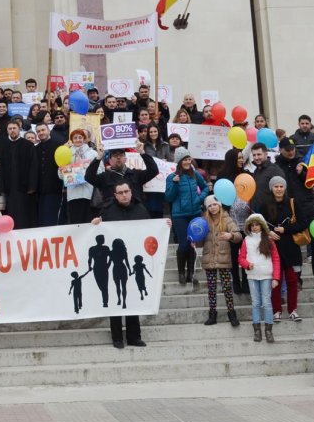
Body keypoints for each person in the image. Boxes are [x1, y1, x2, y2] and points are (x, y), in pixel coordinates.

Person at [91, 180, 168, 348]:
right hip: (114, 264)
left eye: (126, 191)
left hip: (134, 259)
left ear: (131, 192)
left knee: (131, 298)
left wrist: (164, 226)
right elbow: (96, 233)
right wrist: (95, 224)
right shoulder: (107, 211)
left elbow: (150, 230)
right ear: (115, 195)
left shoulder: (141, 209)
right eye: (120, 192)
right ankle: (117, 337)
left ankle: (134, 336)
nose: (124, 195)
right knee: (116, 299)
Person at [260, 177, 304, 322]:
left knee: (292, 281)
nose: (279, 189)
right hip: (273, 249)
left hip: (291, 248)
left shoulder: (292, 203)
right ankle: (276, 310)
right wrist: (269, 233)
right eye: (276, 186)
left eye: (281, 186)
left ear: (285, 188)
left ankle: (293, 310)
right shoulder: (265, 205)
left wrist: (286, 229)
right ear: (271, 188)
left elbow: (303, 224)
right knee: (276, 282)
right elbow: (259, 225)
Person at [196, 194, 241, 327]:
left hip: (223, 258)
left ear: (219, 205)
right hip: (209, 258)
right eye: (210, 205)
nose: (213, 207)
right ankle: (212, 315)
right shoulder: (204, 220)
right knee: (211, 288)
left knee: (227, 287)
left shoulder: (227, 219)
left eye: (215, 204)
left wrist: (230, 235)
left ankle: (231, 313)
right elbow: (200, 242)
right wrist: (195, 240)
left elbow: (238, 236)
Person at [165, 148, 206, 286]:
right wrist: (175, 184)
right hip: (179, 216)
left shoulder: (195, 174)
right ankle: (181, 272)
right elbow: (169, 197)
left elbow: (205, 187)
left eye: (189, 159)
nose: (188, 162)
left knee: (193, 244)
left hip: (194, 213)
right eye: (185, 159)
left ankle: (191, 273)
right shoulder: (172, 177)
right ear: (179, 161)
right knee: (184, 244)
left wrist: (199, 199)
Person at [238, 213, 279, 343]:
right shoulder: (246, 240)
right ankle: (257, 330)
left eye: (257, 225)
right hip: (252, 276)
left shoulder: (269, 239)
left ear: (262, 226)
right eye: (252, 225)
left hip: (267, 275)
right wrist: (247, 265)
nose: (255, 227)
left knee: (266, 302)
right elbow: (241, 258)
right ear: (249, 227)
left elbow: (276, 259)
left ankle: (268, 330)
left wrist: (276, 278)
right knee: (255, 302)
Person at [0, 118, 39, 228]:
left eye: (14, 128)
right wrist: (1, 187)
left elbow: (33, 166)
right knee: (11, 214)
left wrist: (32, 186)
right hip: (10, 188)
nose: (12, 131)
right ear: (7, 130)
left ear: (19, 129)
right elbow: (0, 168)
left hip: (25, 188)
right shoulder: (4, 146)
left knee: (25, 215)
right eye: (10, 129)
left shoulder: (28, 145)